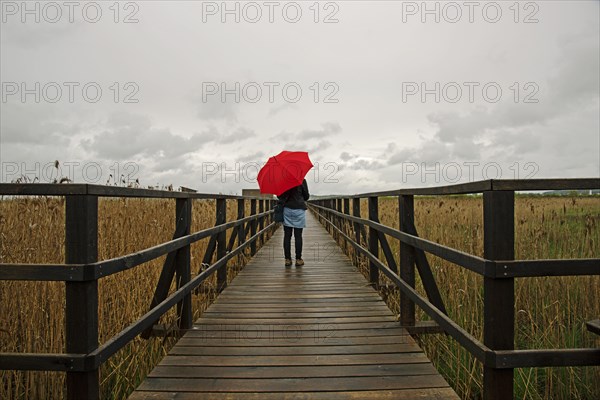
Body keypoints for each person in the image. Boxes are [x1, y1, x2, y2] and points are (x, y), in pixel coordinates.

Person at [278, 179, 309, 267]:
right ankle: (298, 259)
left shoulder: (283, 180)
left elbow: (279, 196)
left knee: (287, 236)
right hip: (299, 209)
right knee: (298, 235)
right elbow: (306, 197)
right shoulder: (301, 180)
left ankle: (287, 259)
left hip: (287, 209)